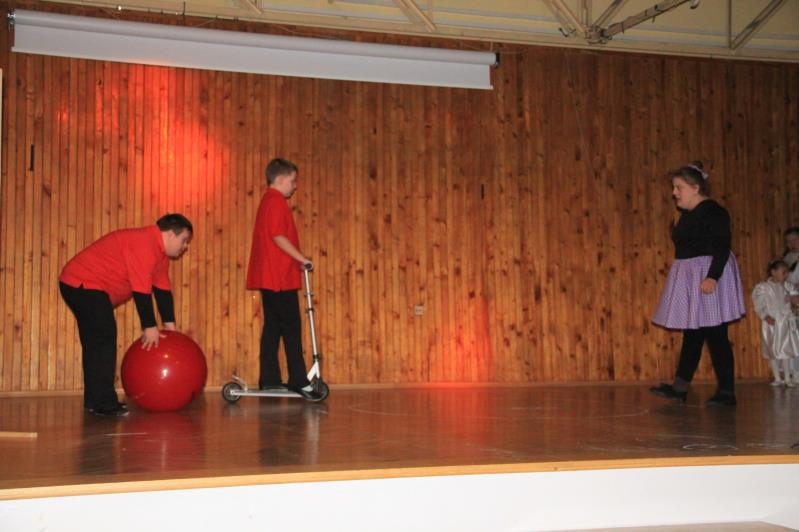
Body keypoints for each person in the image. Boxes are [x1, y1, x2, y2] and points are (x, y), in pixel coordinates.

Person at [59, 214, 193, 417]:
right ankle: (104, 403)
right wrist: (149, 327)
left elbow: (162, 291)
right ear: (171, 235)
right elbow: (141, 290)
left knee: (96, 343)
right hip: (82, 283)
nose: (185, 246)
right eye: (184, 240)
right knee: (103, 339)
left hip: (84, 286)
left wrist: (170, 328)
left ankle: (95, 400)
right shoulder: (145, 243)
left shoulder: (160, 256)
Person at [649, 161, 746, 406]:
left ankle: (727, 392)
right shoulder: (689, 214)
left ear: (695, 188)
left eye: (678, 187)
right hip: (692, 275)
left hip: (708, 276)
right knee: (692, 334)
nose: (675, 193)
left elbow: (722, 245)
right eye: (674, 188)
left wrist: (712, 276)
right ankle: (679, 388)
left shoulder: (714, 211)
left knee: (716, 334)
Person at [246, 158, 322, 400]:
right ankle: (299, 380)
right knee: (290, 328)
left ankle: (269, 379)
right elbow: (278, 236)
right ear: (279, 180)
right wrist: (302, 259)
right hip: (278, 277)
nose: (295, 185)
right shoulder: (276, 201)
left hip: (272, 276)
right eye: (292, 180)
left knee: (274, 327)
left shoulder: (268, 201)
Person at [752, 258, 799, 386]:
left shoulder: (787, 286)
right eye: (783, 272)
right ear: (773, 272)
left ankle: (788, 378)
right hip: (772, 323)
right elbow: (758, 305)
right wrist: (765, 316)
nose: (786, 275)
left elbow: (795, 299)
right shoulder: (763, 287)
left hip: (785, 322)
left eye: (787, 272)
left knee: (786, 349)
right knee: (772, 350)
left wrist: (793, 305)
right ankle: (777, 378)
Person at [782, 227, 799, 380]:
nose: (792, 244)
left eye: (795, 240)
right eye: (788, 241)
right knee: (793, 337)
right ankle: (794, 373)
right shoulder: (786, 258)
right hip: (789, 300)